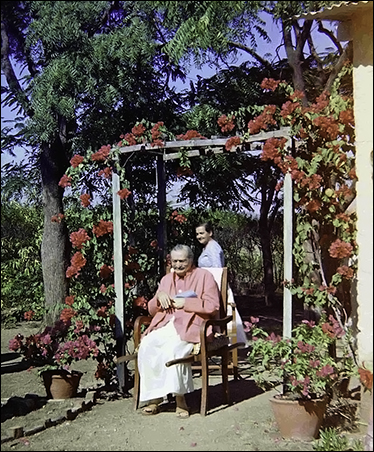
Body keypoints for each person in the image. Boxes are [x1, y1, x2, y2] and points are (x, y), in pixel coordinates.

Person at [137, 244, 221, 418]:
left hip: (192, 326)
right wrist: (159, 298)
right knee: (147, 346)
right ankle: (155, 398)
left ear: (191, 260)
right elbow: (152, 311)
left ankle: (180, 399)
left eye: (182, 261)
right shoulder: (167, 279)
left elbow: (213, 306)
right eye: (174, 261)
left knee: (174, 351)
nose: (178, 265)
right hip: (167, 324)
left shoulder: (204, 277)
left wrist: (187, 304)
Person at [195, 221, 248, 347]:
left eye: (202, 233)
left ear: (210, 233)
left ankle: (214, 335)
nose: (199, 236)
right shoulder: (207, 247)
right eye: (197, 234)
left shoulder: (213, 247)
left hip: (215, 285)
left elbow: (217, 270)